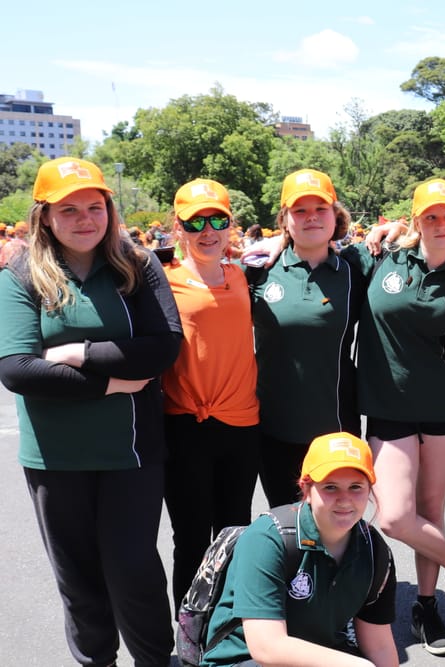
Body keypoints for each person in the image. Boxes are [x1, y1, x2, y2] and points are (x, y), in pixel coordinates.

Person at [0, 157, 182, 666]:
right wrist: (112, 383)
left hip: (132, 453)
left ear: (110, 210)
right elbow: (17, 370)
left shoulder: (137, 265)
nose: (85, 219)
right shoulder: (20, 275)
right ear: (45, 217)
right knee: (78, 580)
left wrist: (78, 353)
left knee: (135, 573)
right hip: (55, 460)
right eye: (70, 209)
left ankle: (153, 661)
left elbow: (163, 347)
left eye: (95, 207)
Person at [346, 178, 445, 656]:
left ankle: (427, 606)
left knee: (430, 510)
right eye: (431, 216)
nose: (440, 224)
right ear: (416, 219)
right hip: (387, 408)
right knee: (395, 515)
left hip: (443, 407)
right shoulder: (380, 257)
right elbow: (320, 247)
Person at [201, 432, 398, 667]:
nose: (345, 499)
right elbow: (266, 647)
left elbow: (379, 646)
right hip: (245, 661)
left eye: (356, 487)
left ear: (369, 490)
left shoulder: (374, 551)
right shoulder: (267, 538)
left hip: (322, 657)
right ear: (306, 489)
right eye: (331, 487)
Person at [161, 178, 260, 611]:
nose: (208, 230)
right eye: (196, 221)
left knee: (236, 532)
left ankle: (228, 625)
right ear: (178, 227)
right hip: (185, 425)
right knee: (192, 538)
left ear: (230, 225)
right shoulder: (161, 280)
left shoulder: (242, 275)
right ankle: (189, 631)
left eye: (217, 219)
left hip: (242, 423)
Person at [248, 168, 362, 507]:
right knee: (285, 525)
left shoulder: (357, 270)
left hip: (335, 429)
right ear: (285, 219)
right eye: (300, 210)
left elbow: (408, 242)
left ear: (335, 216)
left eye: (320, 209)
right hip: (272, 427)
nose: (311, 218)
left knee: (337, 523)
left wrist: (392, 226)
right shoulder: (256, 270)